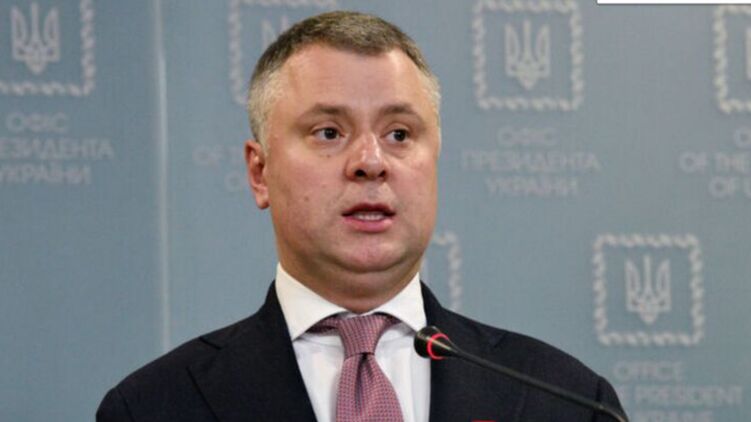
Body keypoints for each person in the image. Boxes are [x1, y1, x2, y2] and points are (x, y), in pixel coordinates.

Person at [97, 11, 625, 422]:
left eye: (399, 134)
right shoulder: (152, 408)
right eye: (329, 132)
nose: (371, 161)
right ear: (260, 172)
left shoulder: (566, 401)